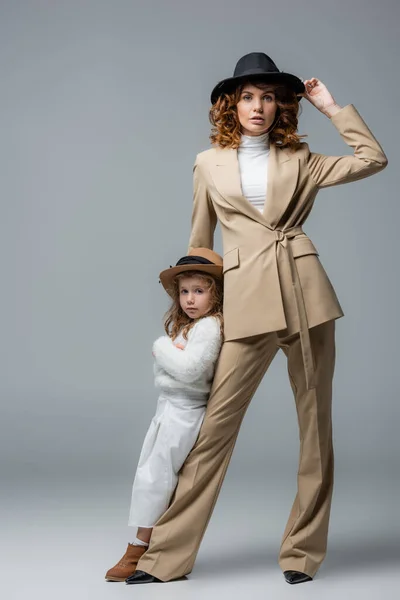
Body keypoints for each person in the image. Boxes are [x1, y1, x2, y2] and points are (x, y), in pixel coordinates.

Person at [125, 52, 388, 586]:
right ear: (231, 104)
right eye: (248, 96)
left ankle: (301, 553)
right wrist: (195, 310)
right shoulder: (208, 163)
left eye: (269, 96)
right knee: (214, 429)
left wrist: (332, 107)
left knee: (315, 429)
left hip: (306, 295)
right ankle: (166, 556)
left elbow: (372, 157)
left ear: (282, 105)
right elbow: (200, 243)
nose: (258, 106)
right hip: (244, 300)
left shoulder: (303, 158)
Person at [105, 248, 224, 582]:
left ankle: (137, 548)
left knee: (156, 477)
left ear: (216, 293)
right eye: (184, 291)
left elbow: (189, 370)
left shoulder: (209, 328)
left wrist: (161, 347)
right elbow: (183, 365)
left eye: (199, 291)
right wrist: (174, 352)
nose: (189, 299)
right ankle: (146, 543)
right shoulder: (192, 327)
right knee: (151, 473)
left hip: (184, 410)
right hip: (169, 407)